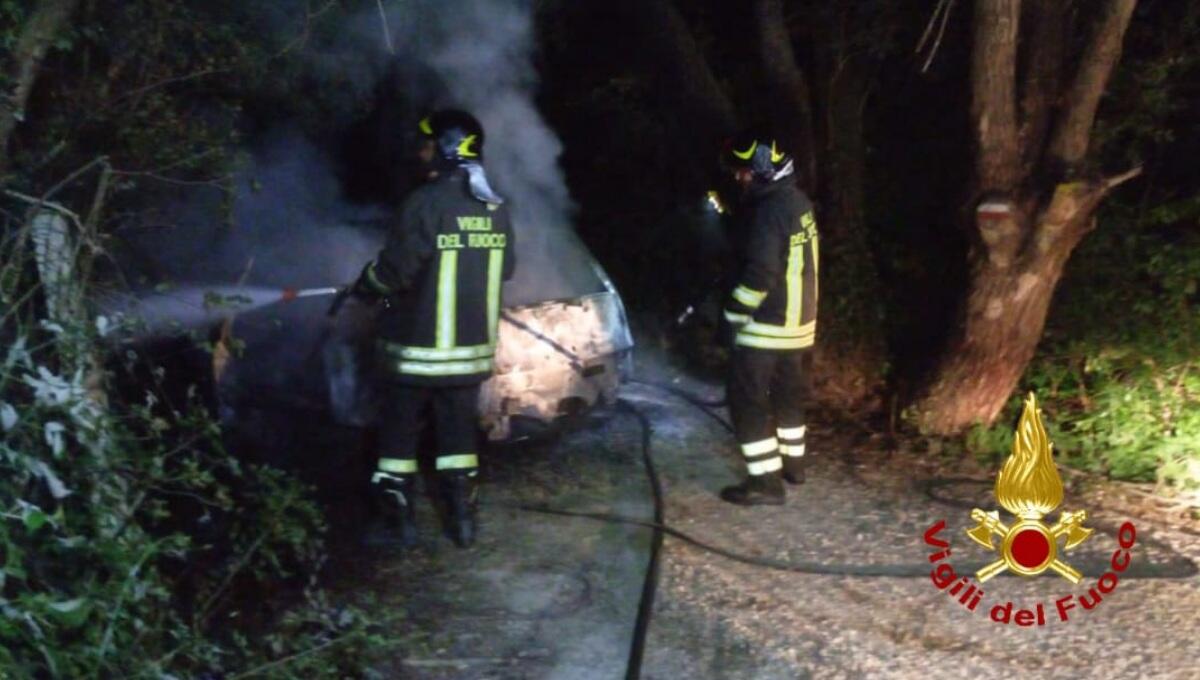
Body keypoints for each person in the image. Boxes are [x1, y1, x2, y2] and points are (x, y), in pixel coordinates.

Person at [352, 109, 515, 546]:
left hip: (414, 353)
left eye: (426, 144)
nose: (420, 152)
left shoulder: (423, 203)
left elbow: (393, 274)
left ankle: (397, 525)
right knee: (459, 442)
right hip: (470, 356)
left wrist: (365, 288)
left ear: (445, 149)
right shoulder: (495, 207)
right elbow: (506, 268)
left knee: (398, 440)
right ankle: (462, 523)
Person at [718, 132, 819, 506]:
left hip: (766, 327)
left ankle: (765, 482)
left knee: (748, 400)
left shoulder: (768, 211)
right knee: (789, 396)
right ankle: (794, 466)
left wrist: (732, 315)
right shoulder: (798, 202)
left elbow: (761, 273)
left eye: (746, 172)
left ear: (762, 172)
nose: (740, 179)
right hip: (799, 326)